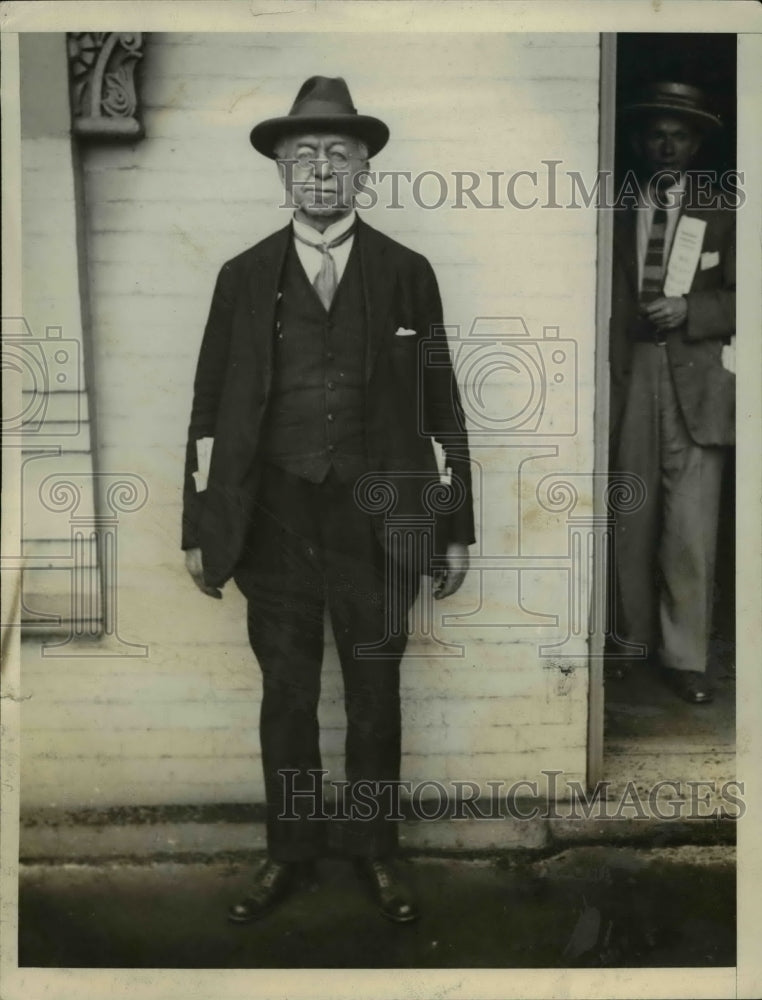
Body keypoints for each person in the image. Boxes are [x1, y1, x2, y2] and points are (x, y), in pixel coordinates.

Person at [181, 77, 475, 923]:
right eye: (303, 155)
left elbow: (440, 403)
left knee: (376, 695)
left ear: (365, 170)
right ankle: (290, 853)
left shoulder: (406, 273)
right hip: (273, 522)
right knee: (288, 697)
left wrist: (454, 529)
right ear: (280, 169)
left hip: (379, 523)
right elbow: (208, 409)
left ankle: (378, 855)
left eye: (339, 155)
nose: (320, 170)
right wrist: (203, 528)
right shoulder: (241, 278)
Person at [608, 82, 735, 704]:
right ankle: (628, 648)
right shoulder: (612, 207)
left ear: (697, 143)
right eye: (656, 132)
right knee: (628, 515)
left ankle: (686, 659)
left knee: (691, 527)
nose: (666, 144)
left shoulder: (727, 208)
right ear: (638, 140)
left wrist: (691, 307)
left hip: (699, 384)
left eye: (679, 134)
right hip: (631, 371)